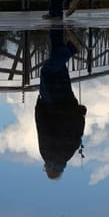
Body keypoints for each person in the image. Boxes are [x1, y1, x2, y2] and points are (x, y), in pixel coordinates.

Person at [35, 26, 87, 179]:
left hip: (68, 103)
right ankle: (71, 49)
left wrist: (80, 112)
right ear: (49, 169)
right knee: (47, 71)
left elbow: (79, 131)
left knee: (58, 67)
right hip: (51, 106)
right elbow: (42, 129)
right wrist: (39, 107)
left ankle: (56, 27)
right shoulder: (47, 155)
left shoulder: (69, 153)